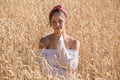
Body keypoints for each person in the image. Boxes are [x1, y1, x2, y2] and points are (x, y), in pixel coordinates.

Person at [38, 5, 80, 79]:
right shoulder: (45, 41)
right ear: (50, 24)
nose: (57, 25)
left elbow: (71, 67)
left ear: (66, 22)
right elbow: (41, 66)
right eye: (54, 22)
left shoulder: (74, 43)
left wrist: (60, 44)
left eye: (60, 21)